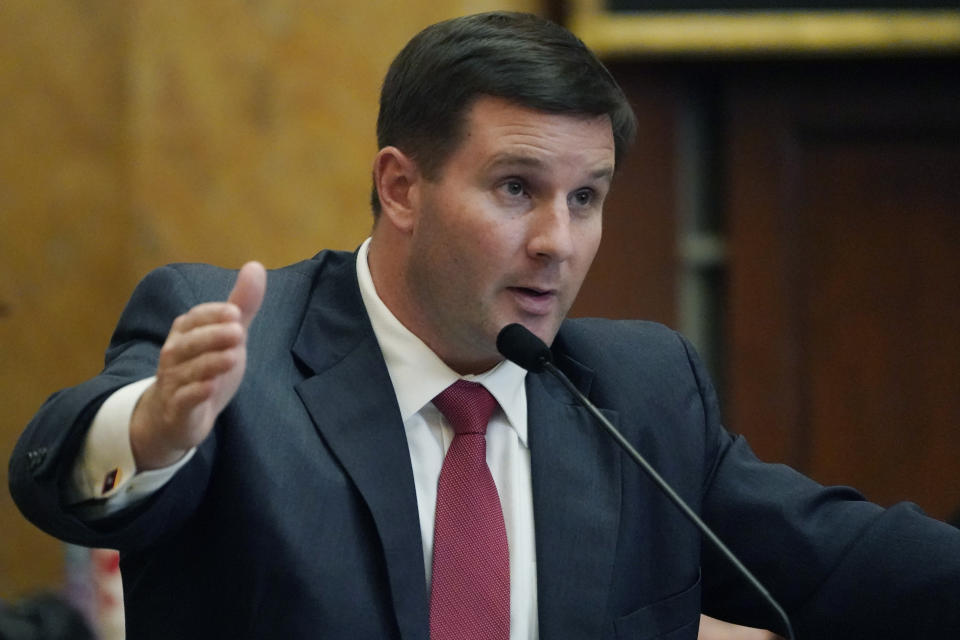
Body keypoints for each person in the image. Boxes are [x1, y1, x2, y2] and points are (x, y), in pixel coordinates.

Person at [9, 11, 960, 640]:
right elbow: (52, 475)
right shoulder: (240, 358)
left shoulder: (640, 390)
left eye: (586, 198)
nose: (558, 242)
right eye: (518, 189)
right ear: (401, 186)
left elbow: (849, 562)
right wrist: (151, 431)